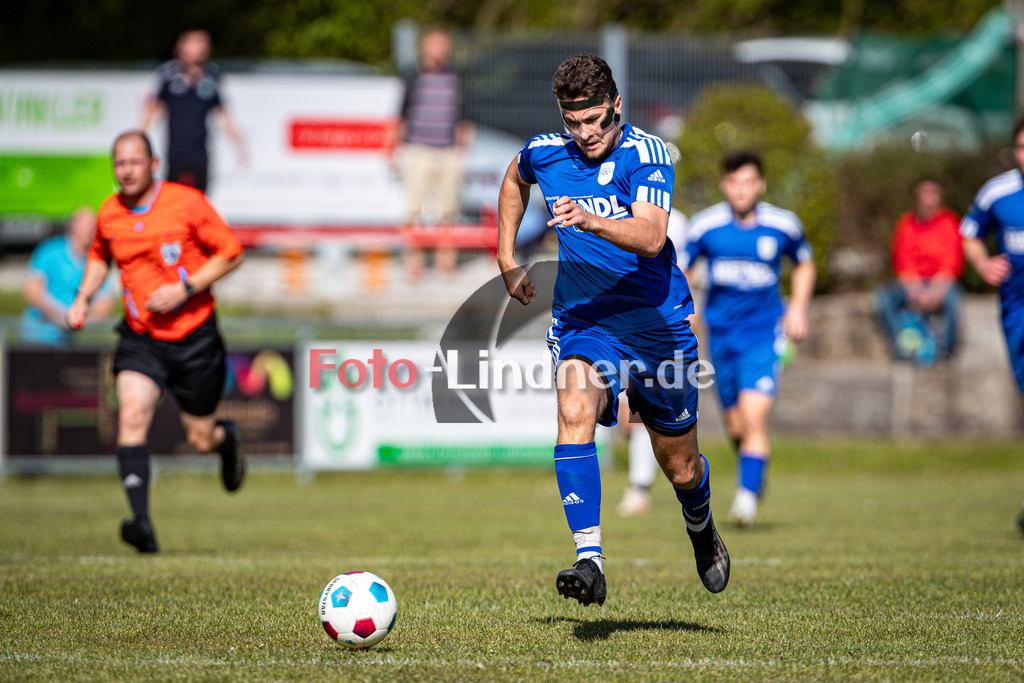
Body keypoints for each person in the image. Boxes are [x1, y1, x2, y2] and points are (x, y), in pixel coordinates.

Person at [498, 53, 730, 607]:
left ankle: (700, 523)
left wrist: (591, 218)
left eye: (594, 120)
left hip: (657, 327)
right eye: (572, 122)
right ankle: (589, 559)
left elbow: (652, 237)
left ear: (615, 106)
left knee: (678, 464)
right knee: (574, 408)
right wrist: (506, 256)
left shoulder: (648, 153)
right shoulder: (545, 152)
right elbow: (514, 179)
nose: (584, 134)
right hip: (586, 320)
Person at [67, 130, 245, 553]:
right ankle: (141, 522)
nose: (126, 170)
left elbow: (232, 251)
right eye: (119, 163)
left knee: (200, 438)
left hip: (194, 335)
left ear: (153, 164)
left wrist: (185, 287)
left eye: (134, 162)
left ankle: (227, 440)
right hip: (141, 336)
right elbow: (99, 255)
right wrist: (83, 297)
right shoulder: (109, 212)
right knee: (131, 414)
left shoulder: (186, 202)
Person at [681, 151, 816, 529]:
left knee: (755, 417)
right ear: (725, 185)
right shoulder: (706, 226)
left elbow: (805, 263)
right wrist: (685, 308)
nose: (742, 190)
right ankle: (754, 472)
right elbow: (683, 270)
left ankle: (744, 502)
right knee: (738, 426)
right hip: (721, 336)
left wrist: (798, 309)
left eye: (749, 182)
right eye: (734, 183)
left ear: (761, 185)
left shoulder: (783, 225)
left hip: (764, 334)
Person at [959, 115, 1024, 535]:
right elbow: (968, 233)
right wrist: (983, 262)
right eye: (1021, 148)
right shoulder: (997, 193)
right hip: (1018, 312)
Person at [616, 209, 690, 517]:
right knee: (628, 420)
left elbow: (681, 269)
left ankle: (639, 488)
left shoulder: (680, 223)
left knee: (644, 416)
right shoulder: (609, 208)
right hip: (615, 324)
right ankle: (642, 485)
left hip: (657, 328)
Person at [393, 29, 474, 277]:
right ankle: (413, 261)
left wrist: (463, 147)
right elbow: (401, 113)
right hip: (418, 150)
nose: (440, 50)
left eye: (443, 45)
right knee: (414, 208)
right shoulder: (412, 75)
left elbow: (464, 114)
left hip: (448, 151)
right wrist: (394, 147)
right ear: (424, 47)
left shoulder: (456, 76)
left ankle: (445, 259)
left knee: (448, 208)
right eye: (435, 44)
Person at [141, 29, 247, 194]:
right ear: (181, 48)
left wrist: (240, 147)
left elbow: (223, 117)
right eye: (195, 43)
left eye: (203, 43)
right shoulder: (168, 78)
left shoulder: (211, 79)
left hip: (200, 152)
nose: (200, 48)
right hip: (175, 152)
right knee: (172, 198)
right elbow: (154, 112)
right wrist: (140, 141)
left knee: (200, 199)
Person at [875, 178, 963, 363]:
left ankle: (943, 353)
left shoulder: (950, 222)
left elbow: (952, 261)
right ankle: (903, 350)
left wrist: (934, 291)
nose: (929, 198)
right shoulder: (905, 223)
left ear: (940, 197)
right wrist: (916, 290)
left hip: (941, 283)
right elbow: (901, 259)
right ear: (916, 197)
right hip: (911, 283)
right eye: (925, 192)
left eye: (933, 192)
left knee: (954, 299)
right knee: (883, 298)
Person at [20, 207, 115, 346]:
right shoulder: (49, 251)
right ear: (73, 226)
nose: (90, 230)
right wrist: (61, 316)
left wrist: (77, 320)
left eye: (94, 226)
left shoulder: (98, 261)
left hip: (71, 342)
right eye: (87, 225)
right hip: (36, 336)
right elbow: (32, 291)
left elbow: (104, 307)